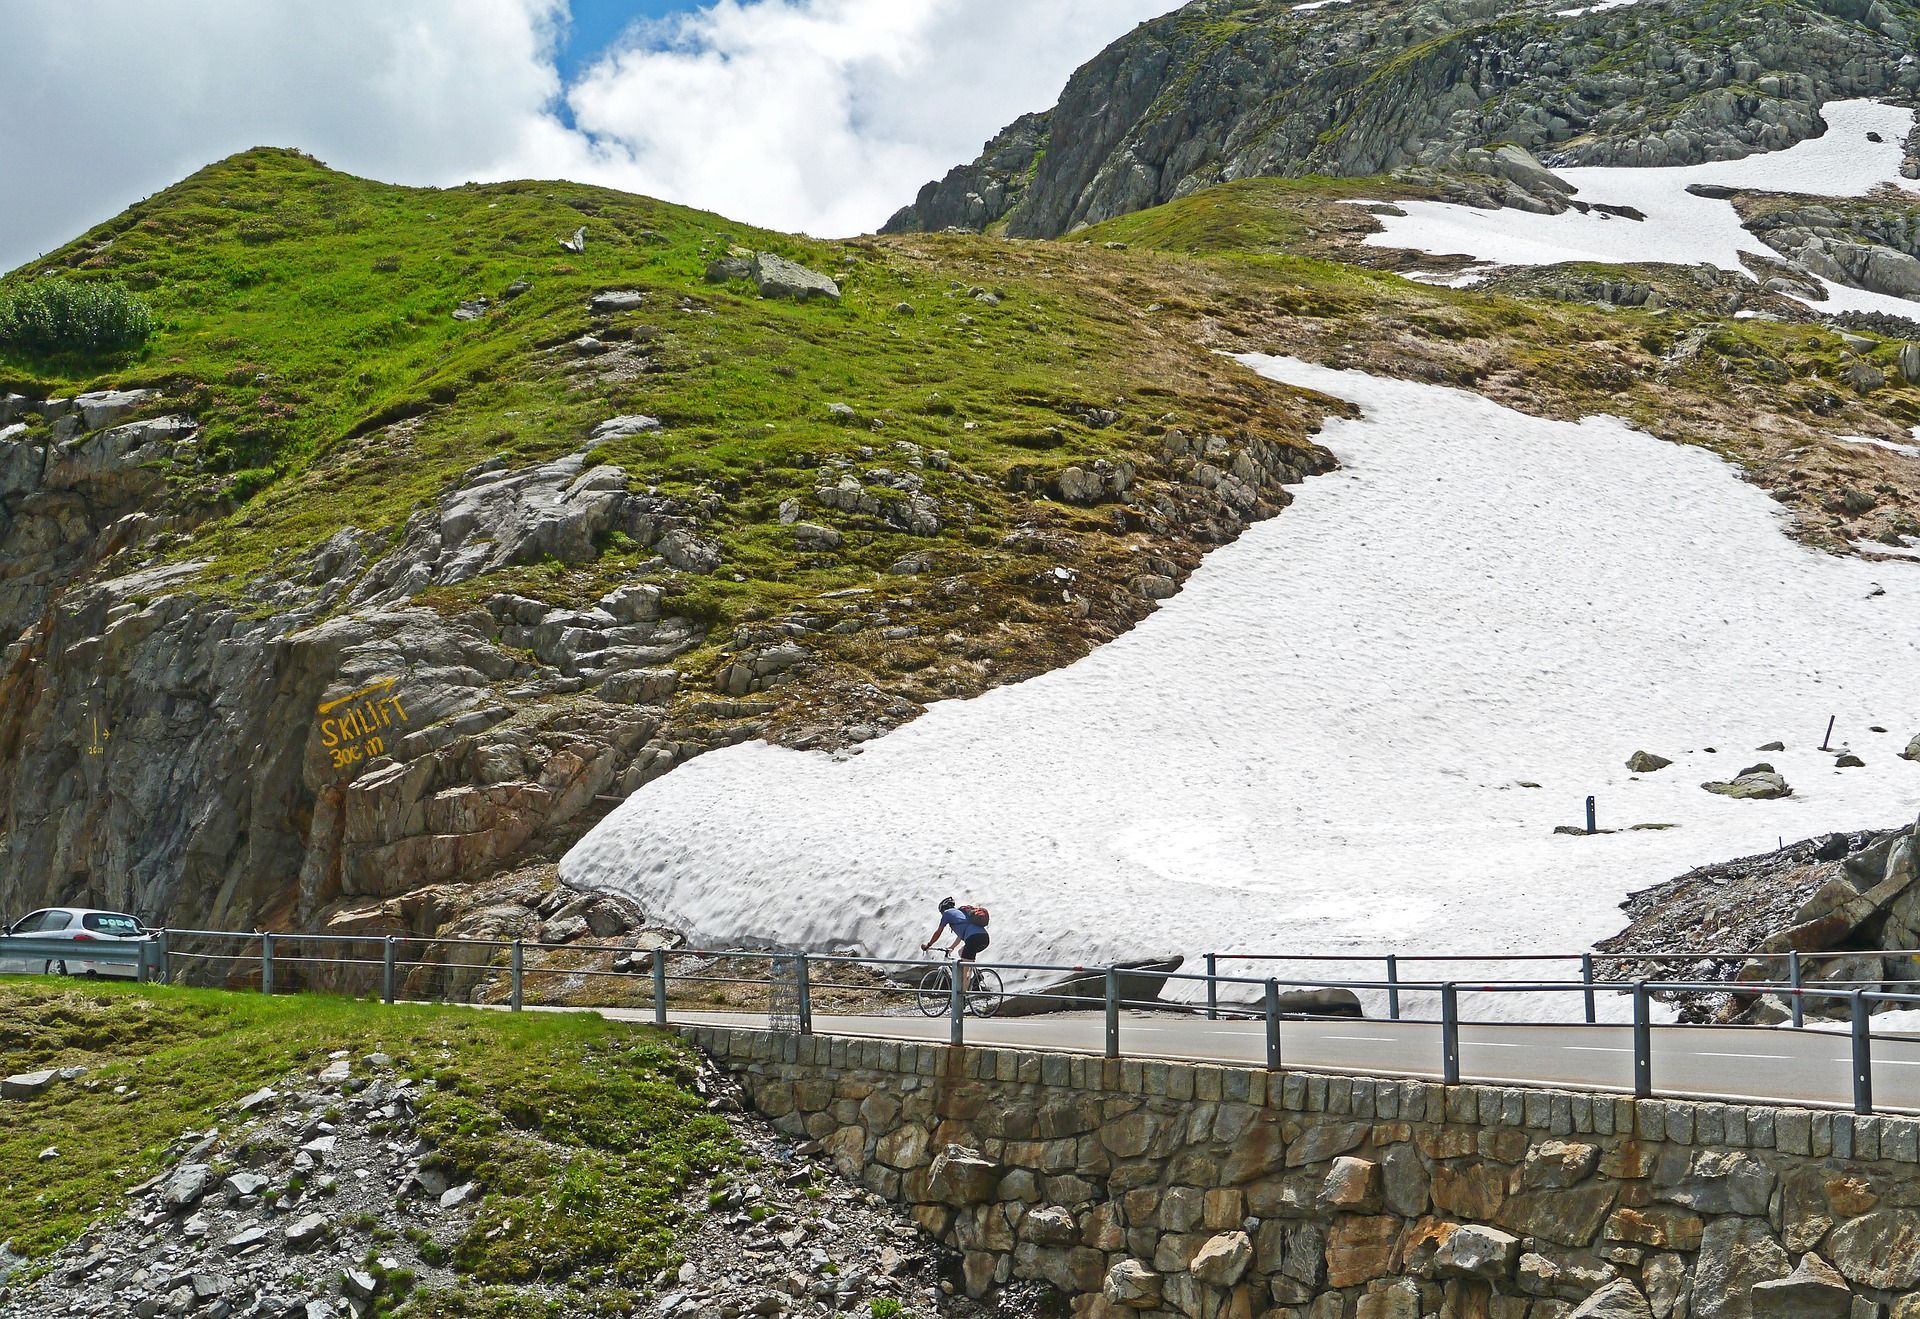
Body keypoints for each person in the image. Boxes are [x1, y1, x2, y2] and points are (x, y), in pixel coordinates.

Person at [922, 896, 989, 989]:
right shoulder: (961, 913)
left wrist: (928, 945)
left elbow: (938, 932)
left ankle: (963, 997)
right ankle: (976, 975)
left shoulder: (947, 913)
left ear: (942, 910)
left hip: (974, 939)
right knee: (961, 953)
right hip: (984, 938)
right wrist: (952, 947)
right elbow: (961, 935)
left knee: (965, 969)